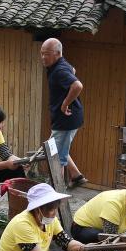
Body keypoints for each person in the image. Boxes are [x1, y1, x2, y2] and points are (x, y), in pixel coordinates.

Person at [0, 183, 88, 251]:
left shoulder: (51, 220)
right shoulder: (22, 224)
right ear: (37, 209)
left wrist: (86, 248)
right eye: (51, 210)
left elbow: (66, 241)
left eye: (56, 209)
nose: (54, 213)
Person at [40, 37, 86, 188]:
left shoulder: (59, 70)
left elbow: (77, 85)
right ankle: (76, 175)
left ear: (57, 53)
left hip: (66, 119)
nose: (43, 57)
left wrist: (65, 103)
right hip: (69, 118)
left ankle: (55, 191)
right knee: (58, 147)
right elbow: (73, 70)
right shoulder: (61, 65)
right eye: (41, 53)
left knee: (56, 156)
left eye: (46, 54)